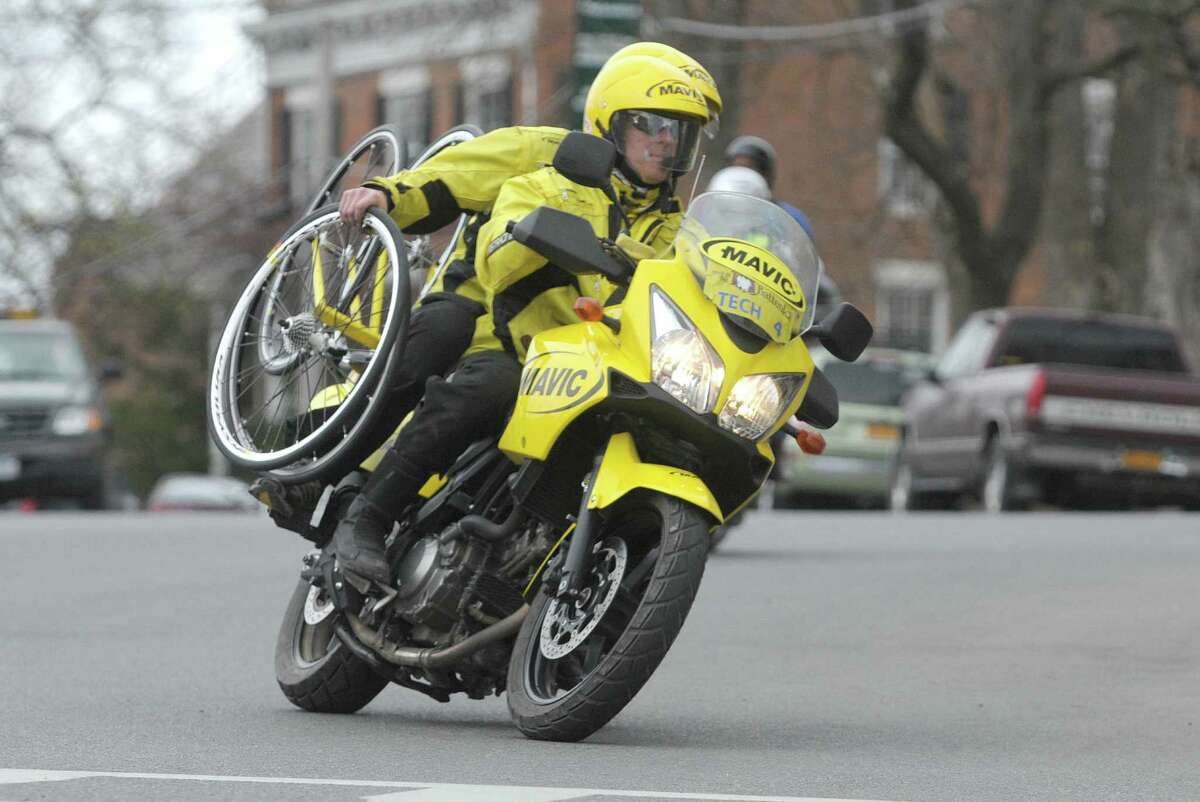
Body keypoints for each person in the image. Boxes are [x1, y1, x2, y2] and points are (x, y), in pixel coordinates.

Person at [255, 45, 723, 524]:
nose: (668, 142)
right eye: (654, 124)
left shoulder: (677, 230)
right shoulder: (546, 155)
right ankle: (325, 468)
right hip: (482, 304)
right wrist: (389, 195)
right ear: (611, 122)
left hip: (572, 355)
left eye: (682, 132)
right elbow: (455, 176)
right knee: (442, 337)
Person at [723, 135, 815, 239]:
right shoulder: (713, 211)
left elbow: (800, 252)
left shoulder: (789, 218)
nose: (741, 176)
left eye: (749, 169)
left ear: (767, 175)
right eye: (736, 168)